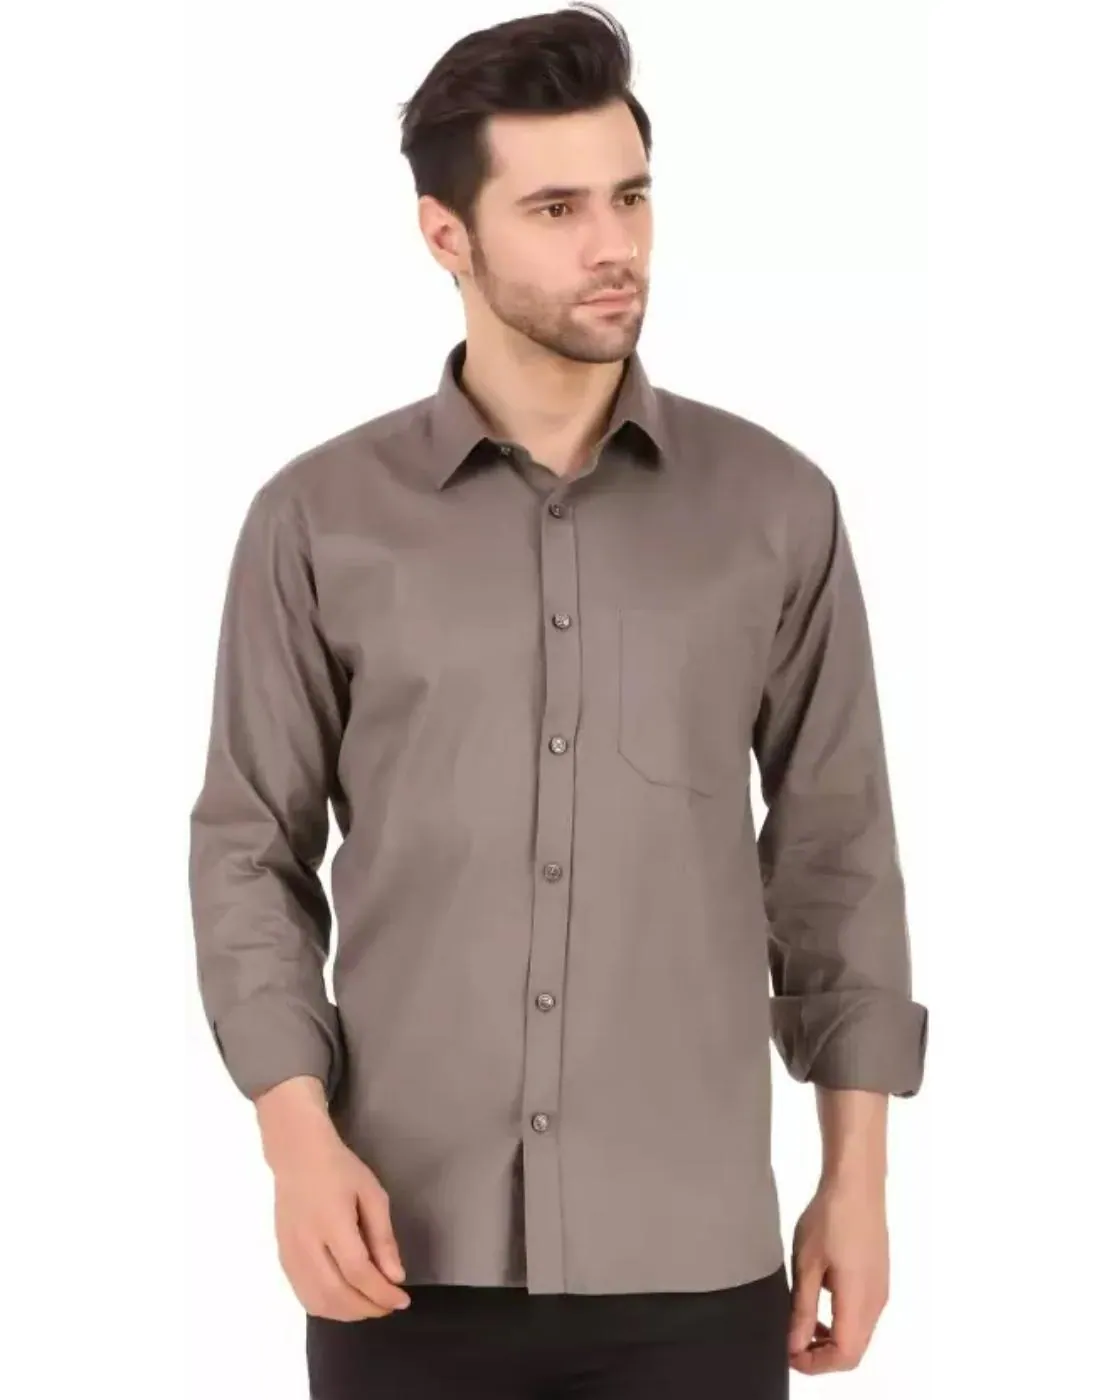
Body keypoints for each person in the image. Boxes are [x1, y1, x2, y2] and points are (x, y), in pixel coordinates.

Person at [187, 4, 928, 1396]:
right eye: (555, 208)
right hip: (399, 1251)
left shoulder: (774, 507)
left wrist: (856, 1180)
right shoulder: (317, 519)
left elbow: (835, 854)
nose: (614, 244)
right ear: (445, 235)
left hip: (697, 1261)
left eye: (630, 196)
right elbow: (248, 850)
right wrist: (294, 1141)